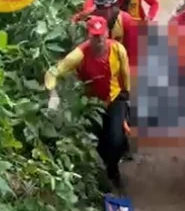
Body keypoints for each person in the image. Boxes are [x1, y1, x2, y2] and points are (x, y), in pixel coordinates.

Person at [45, 15, 131, 189]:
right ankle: (103, 177)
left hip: (114, 99)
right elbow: (52, 72)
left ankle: (113, 169)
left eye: (101, 36)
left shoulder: (118, 49)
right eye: (94, 37)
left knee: (117, 141)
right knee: (99, 142)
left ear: (107, 33)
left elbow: (125, 72)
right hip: (92, 105)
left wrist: (126, 92)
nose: (98, 40)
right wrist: (53, 94)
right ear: (88, 36)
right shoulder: (80, 54)